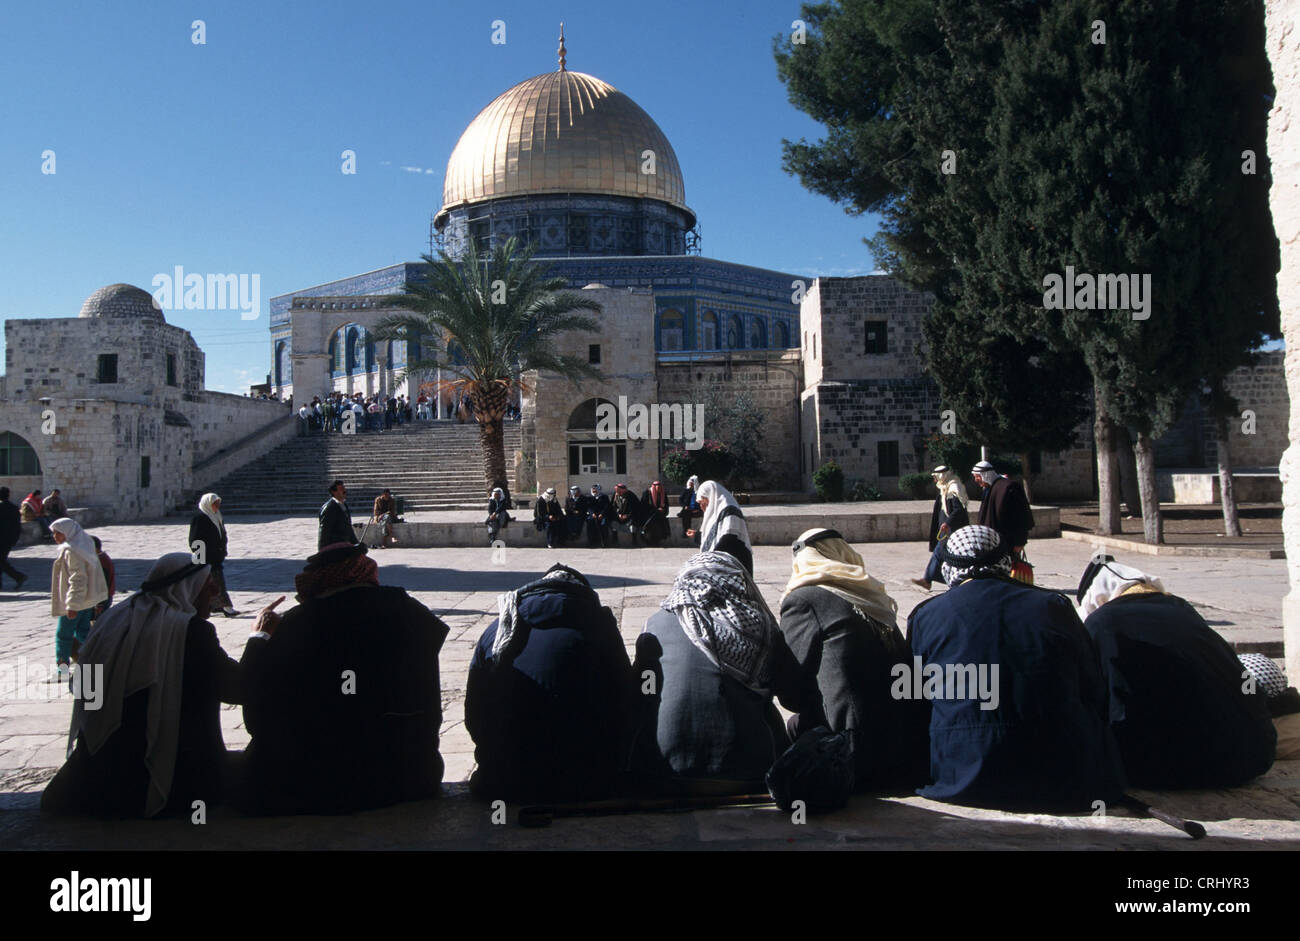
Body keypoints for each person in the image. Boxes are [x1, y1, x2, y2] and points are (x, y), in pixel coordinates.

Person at [907, 525, 1125, 810]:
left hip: (962, 773)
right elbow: (1092, 686)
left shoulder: (927, 615)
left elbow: (913, 698)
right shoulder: (1053, 605)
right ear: (1005, 562)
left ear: (948, 567)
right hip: (1064, 773)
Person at [237, 542, 449, 814]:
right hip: (410, 775)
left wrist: (259, 638)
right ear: (364, 571)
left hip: (321, 783)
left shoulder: (298, 623)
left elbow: (254, 705)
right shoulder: (408, 609)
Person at [41, 553, 243, 817]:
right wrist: (259, 638)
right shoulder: (191, 631)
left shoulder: (112, 620)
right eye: (208, 585)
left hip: (102, 772)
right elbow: (235, 688)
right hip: (174, 777)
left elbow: (81, 687)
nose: (215, 591)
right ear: (186, 588)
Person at [1077, 557, 1275, 788]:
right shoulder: (1183, 612)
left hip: (1163, 767)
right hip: (1251, 757)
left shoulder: (1103, 622)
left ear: (1096, 598)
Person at [631, 550, 799, 794]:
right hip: (749, 771)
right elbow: (785, 691)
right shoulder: (759, 626)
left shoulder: (655, 623)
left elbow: (643, 693)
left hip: (663, 771)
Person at [465, 564, 633, 802]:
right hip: (587, 781)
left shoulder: (498, 628)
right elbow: (625, 700)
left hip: (504, 781)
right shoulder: (599, 624)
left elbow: (474, 713)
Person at [780, 528, 930, 790]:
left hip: (854, 752)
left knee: (791, 728)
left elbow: (791, 694)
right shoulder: (874, 596)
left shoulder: (804, 600)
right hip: (908, 743)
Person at [50, 518, 110, 674]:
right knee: (84, 632)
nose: (55, 536)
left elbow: (78, 579)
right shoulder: (84, 545)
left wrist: (72, 605)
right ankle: (99, 660)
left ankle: (62, 670)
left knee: (63, 635)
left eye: (58, 533)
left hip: (75, 601)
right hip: (88, 600)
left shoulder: (72, 551)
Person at [912, 465, 972, 591]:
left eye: (935, 477)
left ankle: (930, 580)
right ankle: (928, 579)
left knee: (942, 554)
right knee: (939, 553)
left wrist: (947, 523)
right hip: (947, 530)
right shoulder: (945, 487)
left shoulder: (953, 488)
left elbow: (958, 510)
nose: (934, 480)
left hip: (953, 530)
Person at [189, 493, 239, 617]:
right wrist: (201, 558)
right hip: (206, 558)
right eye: (214, 504)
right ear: (207, 504)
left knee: (212, 583)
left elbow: (222, 535)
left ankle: (213, 606)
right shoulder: (200, 518)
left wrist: (222, 551)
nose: (217, 506)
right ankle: (227, 607)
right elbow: (195, 540)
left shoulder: (216, 516)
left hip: (216, 556)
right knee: (215, 583)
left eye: (218, 504)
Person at [971, 460, 1033, 557]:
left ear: (985, 475)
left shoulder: (1008, 487)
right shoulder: (989, 489)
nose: (976, 480)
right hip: (991, 544)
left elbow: (1020, 516)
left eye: (977, 476)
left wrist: (1020, 542)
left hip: (1007, 543)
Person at [693, 480, 753, 575]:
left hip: (735, 563)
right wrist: (696, 535)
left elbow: (728, 537)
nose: (701, 506)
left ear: (710, 495)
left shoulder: (729, 509)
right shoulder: (715, 513)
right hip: (721, 565)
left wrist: (710, 557)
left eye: (702, 501)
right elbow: (714, 538)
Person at [318, 480, 359, 550]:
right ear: (334, 492)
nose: (344, 491)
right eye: (341, 489)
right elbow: (324, 532)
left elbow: (348, 528)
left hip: (345, 546)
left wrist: (356, 544)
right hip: (335, 548)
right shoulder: (329, 508)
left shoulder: (343, 505)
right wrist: (322, 552)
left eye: (344, 488)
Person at [0, 487, 27, 591]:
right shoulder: (14, 508)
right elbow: (17, 526)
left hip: (2, 540)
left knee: (1, 561)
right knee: (1, 561)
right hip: (10, 540)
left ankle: (18, 576)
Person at [89, 536, 116, 623]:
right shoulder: (102, 558)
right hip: (104, 597)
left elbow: (103, 584)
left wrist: (99, 604)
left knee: (98, 622)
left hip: (102, 599)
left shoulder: (101, 562)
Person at [639, 480, 671, 546]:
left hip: (659, 515)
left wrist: (663, 509)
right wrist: (655, 509)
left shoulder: (663, 494)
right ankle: (649, 541)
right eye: (657, 487)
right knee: (651, 526)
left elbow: (666, 505)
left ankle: (657, 541)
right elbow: (643, 506)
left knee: (660, 525)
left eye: (659, 487)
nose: (658, 489)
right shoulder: (647, 493)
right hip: (649, 514)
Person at [585, 483, 611, 548]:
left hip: (602, 515)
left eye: (595, 490)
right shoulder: (589, 497)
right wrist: (592, 513)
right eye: (593, 490)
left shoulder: (604, 497)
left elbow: (606, 507)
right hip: (592, 515)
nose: (594, 491)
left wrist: (601, 514)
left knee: (603, 525)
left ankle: (604, 542)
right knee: (590, 523)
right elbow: (588, 507)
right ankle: (591, 542)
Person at [677, 475, 702, 540]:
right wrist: (684, 506)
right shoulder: (686, 490)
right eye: (690, 483)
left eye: (692, 483)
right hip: (688, 509)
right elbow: (680, 499)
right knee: (685, 514)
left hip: (697, 510)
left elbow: (701, 502)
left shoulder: (698, 491)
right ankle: (686, 531)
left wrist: (697, 509)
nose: (691, 484)